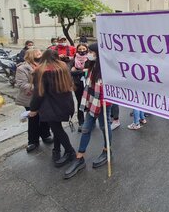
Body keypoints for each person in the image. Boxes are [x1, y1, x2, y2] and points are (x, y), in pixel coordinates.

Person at [64, 43, 113, 179]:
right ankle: (80, 158)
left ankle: (107, 150)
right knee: (86, 128)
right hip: (92, 102)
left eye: (91, 52)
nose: (88, 54)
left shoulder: (107, 68)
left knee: (104, 126)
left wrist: (104, 100)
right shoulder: (91, 66)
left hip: (104, 104)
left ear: (98, 53)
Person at [29, 49, 76, 167]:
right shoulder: (63, 68)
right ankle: (56, 150)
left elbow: (38, 93)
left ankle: (70, 152)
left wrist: (33, 109)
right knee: (57, 128)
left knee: (57, 130)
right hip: (65, 104)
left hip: (51, 106)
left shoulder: (41, 71)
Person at [15, 48, 53, 152]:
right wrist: (40, 87)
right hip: (31, 97)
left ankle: (46, 135)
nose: (40, 55)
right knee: (33, 119)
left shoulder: (45, 65)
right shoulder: (22, 68)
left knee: (45, 117)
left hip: (44, 97)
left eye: (41, 53)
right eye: (37, 53)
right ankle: (33, 141)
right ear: (30, 55)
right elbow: (22, 84)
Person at [69, 43, 89, 132]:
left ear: (86, 49)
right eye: (80, 49)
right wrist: (83, 71)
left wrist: (77, 70)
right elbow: (71, 72)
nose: (81, 51)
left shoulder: (90, 59)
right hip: (77, 84)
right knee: (80, 103)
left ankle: (90, 121)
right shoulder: (74, 59)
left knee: (89, 103)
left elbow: (91, 71)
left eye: (83, 49)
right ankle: (81, 123)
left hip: (88, 84)